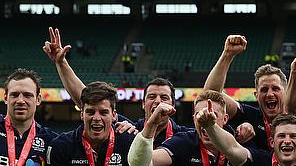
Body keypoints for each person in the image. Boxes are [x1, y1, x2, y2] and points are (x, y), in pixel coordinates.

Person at [43, 27, 192, 149]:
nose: (158, 101)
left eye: (164, 97)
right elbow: (86, 98)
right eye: (151, 97)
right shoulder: (129, 129)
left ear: (173, 105)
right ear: (142, 103)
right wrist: (61, 63)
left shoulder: (184, 137)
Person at [203, 35, 296, 150]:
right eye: (264, 90)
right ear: (256, 96)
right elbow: (211, 95)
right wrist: (227, 54)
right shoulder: (250, 116)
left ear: (285, 93)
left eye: (275, 88)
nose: (269, 94)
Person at [128, 90, 241, 166]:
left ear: (225, 119)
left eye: (212, 114)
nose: (204, 119)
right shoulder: (184, 141)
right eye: (199, 115)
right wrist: (152, 123)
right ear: (193, 119)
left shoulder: (240, 140)